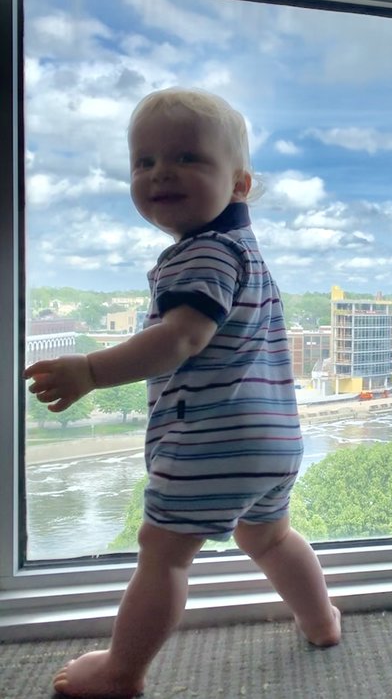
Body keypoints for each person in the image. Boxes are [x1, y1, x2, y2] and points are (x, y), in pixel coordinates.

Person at [24, 87, 341, 698]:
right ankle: (321, 621)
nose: (161, 172)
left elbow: (181, 338)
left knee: (163, 554)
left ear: (240, 184)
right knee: (268, 535)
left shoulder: (202, 255)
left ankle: (121, 672)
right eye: (144, 162)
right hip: (273, 439)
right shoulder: (246, 253)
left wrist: (91, 371)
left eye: (188, 158)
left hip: (209, 443)